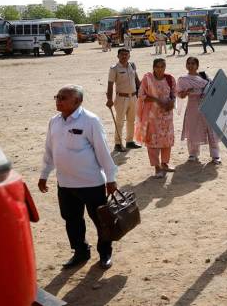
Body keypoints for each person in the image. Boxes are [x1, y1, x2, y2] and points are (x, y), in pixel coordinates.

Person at [37, 85, 118, 270]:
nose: (58, 100)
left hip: (91, 183)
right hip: (65, 183)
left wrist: (111, 179)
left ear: (77, 101)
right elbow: (49, 150)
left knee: (100, 220)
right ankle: (80, 251)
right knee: (72, 219)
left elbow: (103, 152)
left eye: (64, 97)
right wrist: (44, 175)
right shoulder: (54, 121)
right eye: (57, 96)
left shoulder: (90, 121)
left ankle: (105, 252)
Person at [135, 58, 176, 178]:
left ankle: (164, 163)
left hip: (166, 115)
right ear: (153, 67)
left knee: (166, 140)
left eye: (162, 66)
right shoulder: (147, 79)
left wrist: (172, 102)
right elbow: (141, 95)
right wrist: (156, 100)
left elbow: (174, 93)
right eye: (157, 66)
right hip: (152, 116)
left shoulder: (170, 78)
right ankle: (157, 166)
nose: (160, 69)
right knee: (152, 141)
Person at [177, 57, 221, 164]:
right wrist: (187, 92)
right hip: (192, 107)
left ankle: (215, 156)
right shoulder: (183, 79)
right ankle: (193, 154)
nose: (190, 66)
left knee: (211, 129)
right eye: (188, 63)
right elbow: (180, 95)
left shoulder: (204, 77)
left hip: (207, 106)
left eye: (193, 63)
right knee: (192, 129)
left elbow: (213, 90)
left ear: (197, 65)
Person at [106, 48, 142, 152]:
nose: (124, 56)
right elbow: (110, 84)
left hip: (133, 97)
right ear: (118, 56)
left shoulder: (132, 66)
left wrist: (141, 94)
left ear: (129, 56)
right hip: (121, 98)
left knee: (131, 120)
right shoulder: (114, 68)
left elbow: (137, 81)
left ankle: (129, 141)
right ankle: (118, 143)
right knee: (120, 121)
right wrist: (109, 99)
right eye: (122, 55)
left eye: (126, 54)